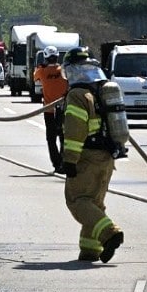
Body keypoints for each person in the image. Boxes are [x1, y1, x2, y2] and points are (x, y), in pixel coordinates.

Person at [60, 46, 124, 263]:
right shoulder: (102, 89)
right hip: (107, 157)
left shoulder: (77, 95)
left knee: (78, 201)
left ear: (71, 69)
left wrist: (69, 160)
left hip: (87, 157)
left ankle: (110, 233)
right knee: (94, 203)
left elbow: (75, 131)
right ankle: (90, 250)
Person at [33, 45, 68, 172]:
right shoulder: (63, 70)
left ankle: (57, 164)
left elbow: (34, 78)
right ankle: (65, 162)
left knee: (51, 138)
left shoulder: (42, 71)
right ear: (57, 57)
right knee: (64, 136)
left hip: (49, 110)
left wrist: (42, 66)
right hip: (64, 108)